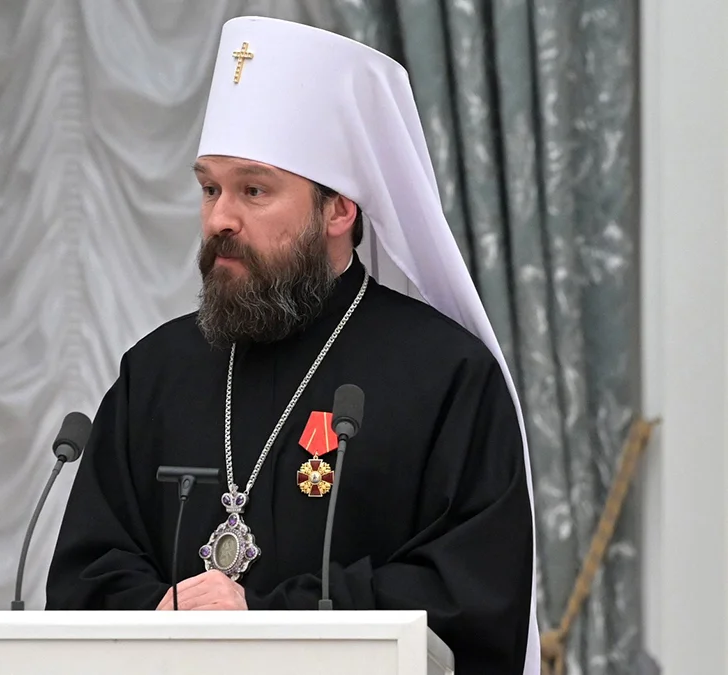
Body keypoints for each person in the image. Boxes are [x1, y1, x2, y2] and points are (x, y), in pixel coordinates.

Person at [44, 16, 539, 675]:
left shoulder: (448, 376)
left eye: (253, 190)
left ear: (338, 210)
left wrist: (267, 620)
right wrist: (161, 611)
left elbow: (471, 597)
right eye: (210, 188)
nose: (220, 218)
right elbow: (85, 575)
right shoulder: (155, 373)